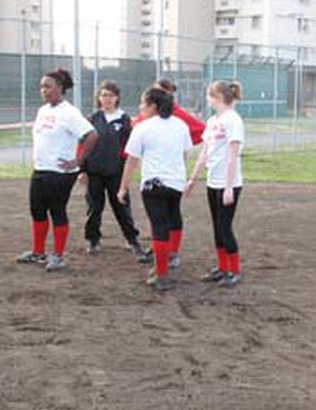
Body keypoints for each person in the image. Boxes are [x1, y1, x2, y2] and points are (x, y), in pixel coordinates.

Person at [16, 68, 99, 271]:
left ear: (60, 88)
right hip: (41, 169)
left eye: (48, 86)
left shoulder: (69, 113)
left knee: (57, 212)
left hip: (60, 172)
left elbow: (91, 135)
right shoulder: (43, 110)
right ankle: (38, 252)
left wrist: (78, 161)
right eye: (42, 87)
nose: (44, 90)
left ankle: (59, 256)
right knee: (37, 211)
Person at [118, 87, 192, 291]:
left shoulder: (143, 127)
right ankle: (172, 256)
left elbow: (131, 161)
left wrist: (122, 188)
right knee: (173, 217)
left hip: (153, 184)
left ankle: (161, 274)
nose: (141, 107)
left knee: (159, 226)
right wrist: (178, 174)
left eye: (143, 103)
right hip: (175, 182)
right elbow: (185, 154)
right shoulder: (180, 125)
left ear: (153, 106)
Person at [133, 78, 206, 268]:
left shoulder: (178, 116)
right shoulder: (148, 118)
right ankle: (161, 250)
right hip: (156, 171)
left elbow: (199, 131)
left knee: (168, 216)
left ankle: (170, 254)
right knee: (159, 217)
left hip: (168, 174)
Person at [186, 80, 246, 288]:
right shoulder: (213, 121)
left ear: (218, 97)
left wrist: (229, 187)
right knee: (217, 226)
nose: (207, 99)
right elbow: (204, 152)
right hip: (213, 181)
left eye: (209, 96)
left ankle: (234, 270)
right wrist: (193, 178)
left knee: (225, 226)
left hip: (228, 183)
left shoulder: (233, 119)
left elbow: (232, 155)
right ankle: (222, 268)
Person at [79, 81, 145, 260]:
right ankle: (93, 239)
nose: (107, 99)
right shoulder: (93, 118)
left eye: (110, 95)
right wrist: (82, 170)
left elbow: (130, 147)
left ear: (117, 97)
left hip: (116, 171)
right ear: (98, 98)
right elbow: (84, 145)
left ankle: (132, 239)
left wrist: (127, 169)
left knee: (122, 206)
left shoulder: (124, 120)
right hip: (94, 171)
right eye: (103, 95)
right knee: (94, 207)